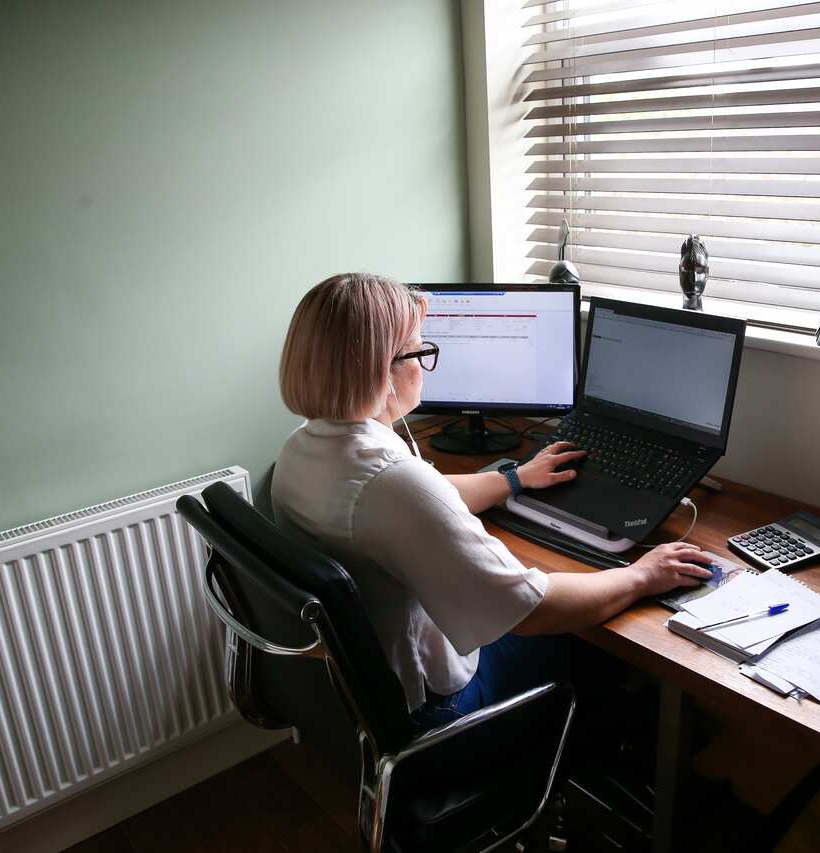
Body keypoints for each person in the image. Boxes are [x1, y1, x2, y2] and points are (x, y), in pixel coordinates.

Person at [272, 273, 714, 731]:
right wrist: (642, 574)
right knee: (596, 643)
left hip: (359, 694)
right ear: (383, 370)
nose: (425, 366)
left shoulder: (303, 449)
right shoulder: (393, 484)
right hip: (438, 711)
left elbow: (422, 496)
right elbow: (535, 608)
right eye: (421, 352)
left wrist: (514, 479)